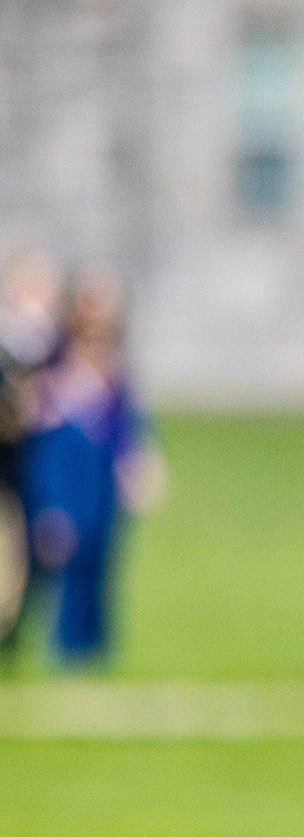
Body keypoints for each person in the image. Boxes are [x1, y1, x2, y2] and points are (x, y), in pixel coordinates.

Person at [14, 266, 162, 667]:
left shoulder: (115, 370)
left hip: (98, 481)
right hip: (59, 476)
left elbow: (126, 427)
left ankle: (86, 650)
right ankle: (31, 641)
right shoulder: (53, 364)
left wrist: (138, 464)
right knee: (49, 554)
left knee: (98, 562)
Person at [0, 249, 66, 652]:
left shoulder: (56, 346)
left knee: (29, 550)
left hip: (37, 464)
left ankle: (13, 632)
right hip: (6, 457)